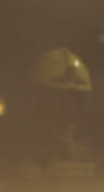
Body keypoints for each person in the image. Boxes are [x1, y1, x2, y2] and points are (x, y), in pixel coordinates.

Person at [27, 47, 99, 181]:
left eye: (76, 99)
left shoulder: (97, 142)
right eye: (60, 98)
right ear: (38, 99)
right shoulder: (21, 146)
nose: (69, 107)